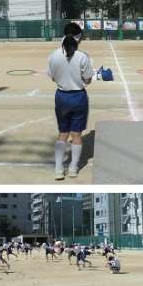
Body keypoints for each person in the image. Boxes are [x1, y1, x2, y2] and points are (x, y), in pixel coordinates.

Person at [48, 22, 93, 180]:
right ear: (78, 37)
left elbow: (53, 77)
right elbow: (88, 80)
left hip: (61, 96)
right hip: (78, 97)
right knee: (76, 135)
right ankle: (73, 168)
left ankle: (59, 169)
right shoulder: (82, 57)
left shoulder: (53, 55)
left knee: (63, 134)